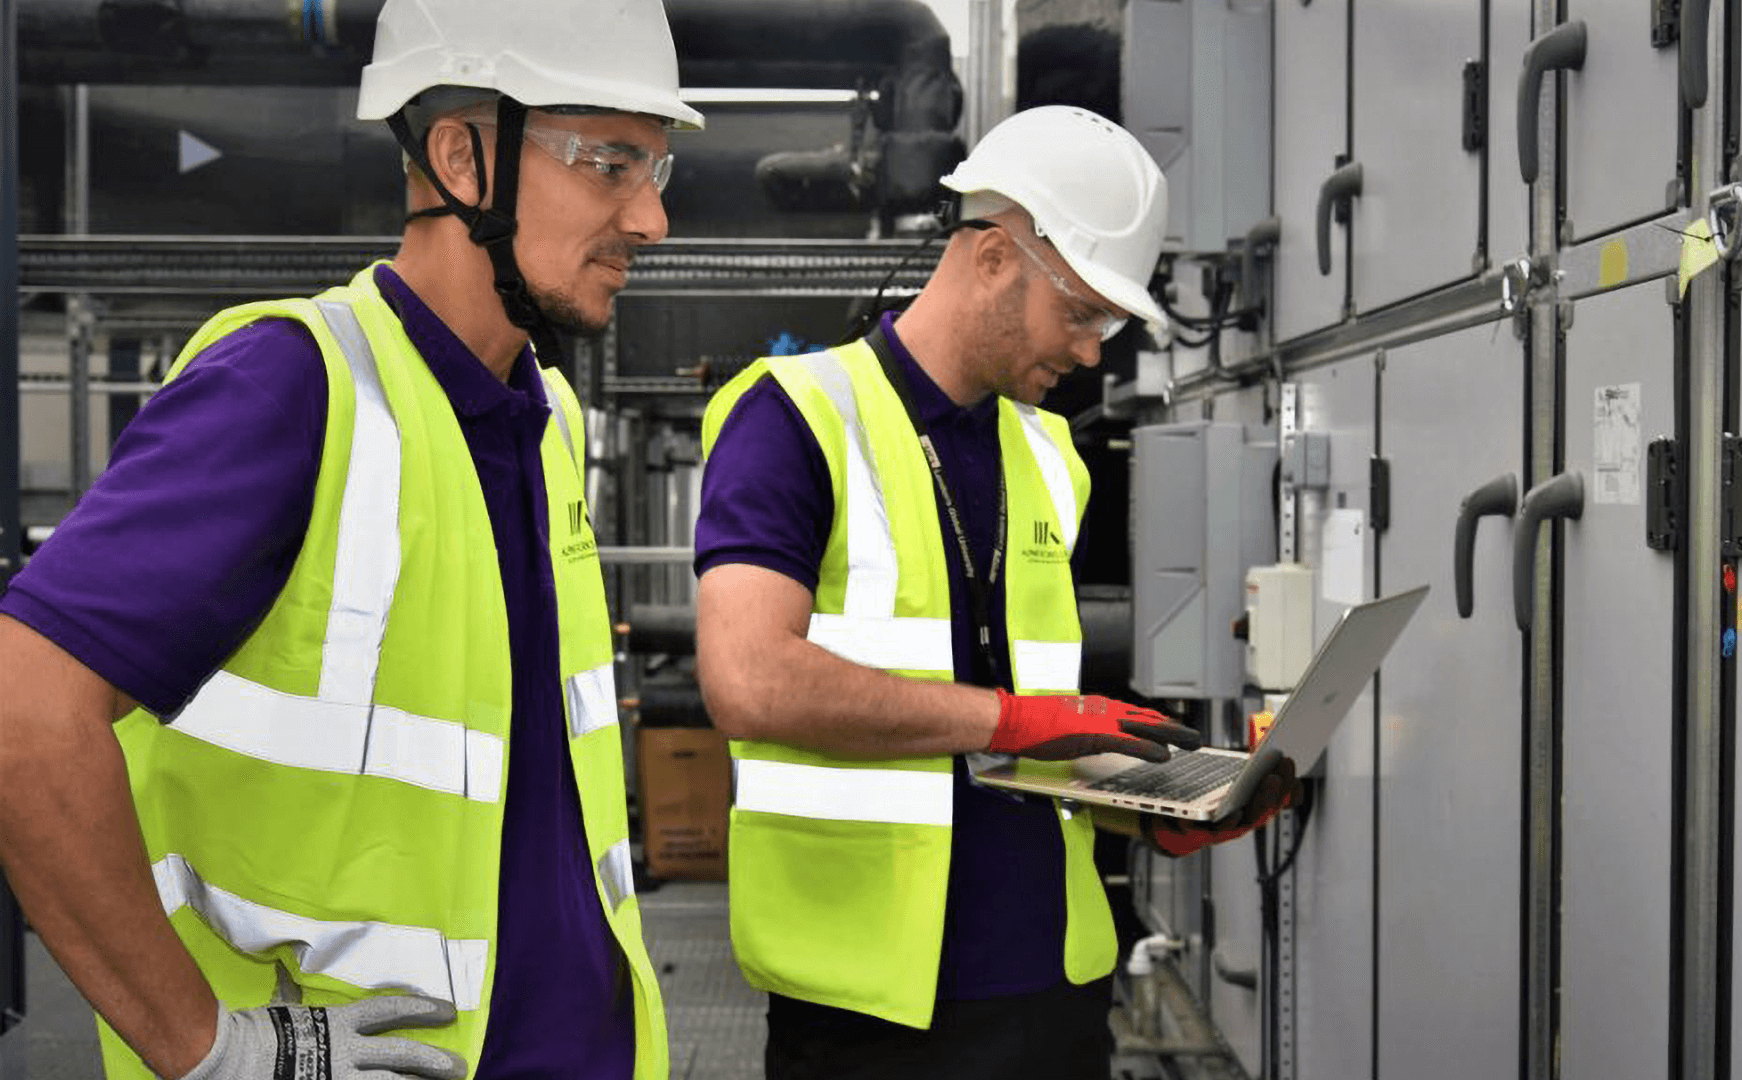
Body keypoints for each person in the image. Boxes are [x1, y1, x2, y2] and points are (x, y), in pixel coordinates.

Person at [0, 0, 702, 1076]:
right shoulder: (292, 388)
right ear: (464, 158)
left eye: (658, 170)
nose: (651, 218)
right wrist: (207, 1048)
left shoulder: (546, 417)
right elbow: (23, 715)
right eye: (612, 163)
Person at [694, 105, 1301, 1080]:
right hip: (867, 1014)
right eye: (1084, 312)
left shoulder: (1049, 455)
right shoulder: (793, 419)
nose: (1095, 351)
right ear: (992, 257)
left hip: (1052, 996)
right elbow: (750, 679)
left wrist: (1146, 803)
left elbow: (1020, 741)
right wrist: (1014, 720)